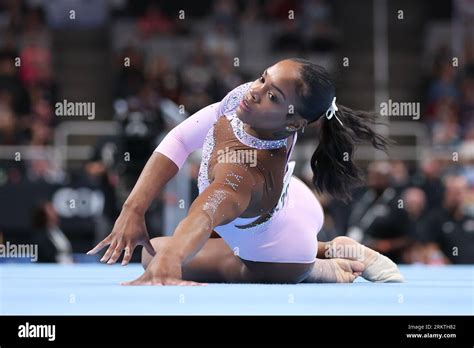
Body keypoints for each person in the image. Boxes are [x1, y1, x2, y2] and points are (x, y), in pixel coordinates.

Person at [88, 58, 403, 285]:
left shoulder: (243, 171)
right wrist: (133, 208)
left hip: (284, 254)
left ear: (293, 124)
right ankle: (330, 246)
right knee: (162, 251)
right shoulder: (249, 102)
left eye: (273, 96)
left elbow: (204, 213)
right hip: (296, 199)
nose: (256, 91)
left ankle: (323, 268)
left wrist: (170, 261)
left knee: (158, 256)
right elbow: (182, 137)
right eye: (264, 78)